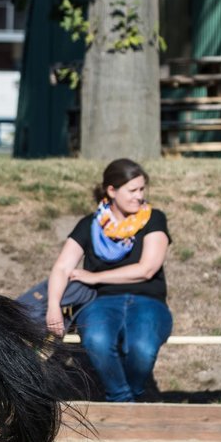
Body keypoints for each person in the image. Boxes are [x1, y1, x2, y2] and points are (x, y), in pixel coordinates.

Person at [46, 158, 173, 402]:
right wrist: (53, 306)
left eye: (142, 189)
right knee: (97, 340)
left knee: (143, 349)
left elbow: (147, 269)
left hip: (148, 300)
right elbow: (62, 267)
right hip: (102, 302)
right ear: (111, 191)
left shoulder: (154, 219)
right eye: (132, 190)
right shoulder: (89, 225)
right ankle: (122, 399)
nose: (139, 196)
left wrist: (95, 276)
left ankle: (129, 396)